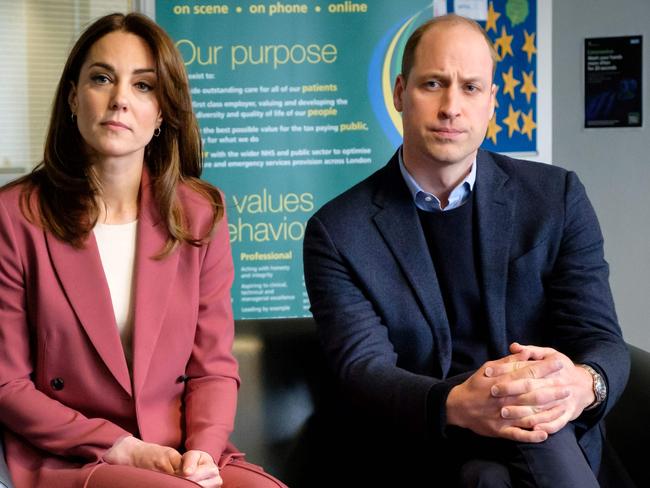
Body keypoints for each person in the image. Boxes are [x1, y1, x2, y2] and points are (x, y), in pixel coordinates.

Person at [302, 14, 630, 487]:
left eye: (471, 88)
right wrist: (458, 403)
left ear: (492, 102)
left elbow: (601, 338)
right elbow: (362, 370)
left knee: (498, 464)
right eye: (433, 83)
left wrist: (582, 384)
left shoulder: (555, 198)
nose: (451, 106)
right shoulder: (338, 231)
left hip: (547, 431)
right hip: (426, 444)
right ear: (399, 93)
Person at [0, 12, 286, 488]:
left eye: (143, 86)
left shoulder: (201, 212)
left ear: (162, 113)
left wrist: (202, 451)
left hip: (179, 448)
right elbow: (7, 384)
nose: (119, 100)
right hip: (76, 453)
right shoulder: (15, 216)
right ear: (73, 97)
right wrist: (121, 446)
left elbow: (212, 366)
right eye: (102, 78)